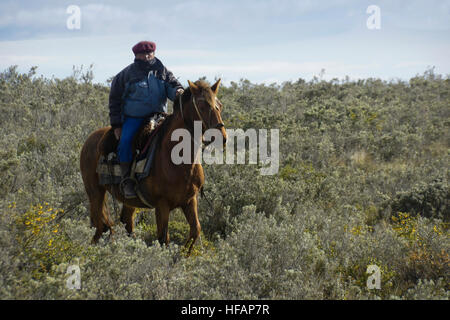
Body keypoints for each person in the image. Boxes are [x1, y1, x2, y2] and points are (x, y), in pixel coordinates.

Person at [108, 41, 184, 199]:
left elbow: (173, 87)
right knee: (125, 141)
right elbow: (115, 100)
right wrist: (117, 125)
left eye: (149, 53)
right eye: (142, 54)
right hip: (134, 118)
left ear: (154, 53)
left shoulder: (163, 72)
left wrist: (178, 92)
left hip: (159, 117)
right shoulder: (126, 75)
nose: (147, 56)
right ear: (136, 55)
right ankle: (127, 180)